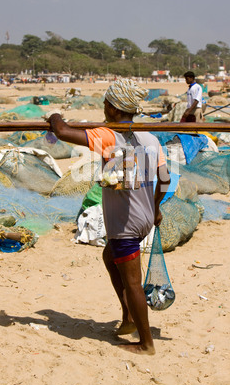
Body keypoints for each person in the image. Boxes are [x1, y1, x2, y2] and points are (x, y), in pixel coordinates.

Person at [45, 79, 171, 355]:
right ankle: (127, 316)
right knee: (109, 256)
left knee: (133, 282)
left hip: (125, 223)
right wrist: (156, 207)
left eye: (105, 104)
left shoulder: (107, 136)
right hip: (144, 217)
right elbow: (165, 178)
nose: (103, 108)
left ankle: (146, 343)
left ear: (114, 109)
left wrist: (53, 117)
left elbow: (63, 131)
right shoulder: (150, 139)